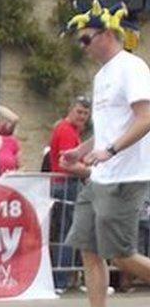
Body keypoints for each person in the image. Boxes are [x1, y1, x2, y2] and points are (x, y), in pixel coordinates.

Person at [58, 0, 150, 307]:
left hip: (126, 175)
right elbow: (110, 128)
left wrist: (110, 151)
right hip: (100, 177)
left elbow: (145, 118)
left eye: (86, 39)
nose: (82, 46)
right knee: (87, 246)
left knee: (122, 254)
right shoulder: (102, 75)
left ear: (108, 34)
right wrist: (81, 150)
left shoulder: (132, 67)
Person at [48, 96, 92, 292]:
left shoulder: (70, 130)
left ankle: (65, 277)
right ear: (70, 110)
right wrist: (89, 171)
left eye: (85, 113)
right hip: (66, 183)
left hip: (65, 183)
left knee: (66, 231)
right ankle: (61, 279)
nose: (82, 116)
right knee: (68, 233)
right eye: (79, 112)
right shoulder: (66, 130)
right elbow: (68, 163)